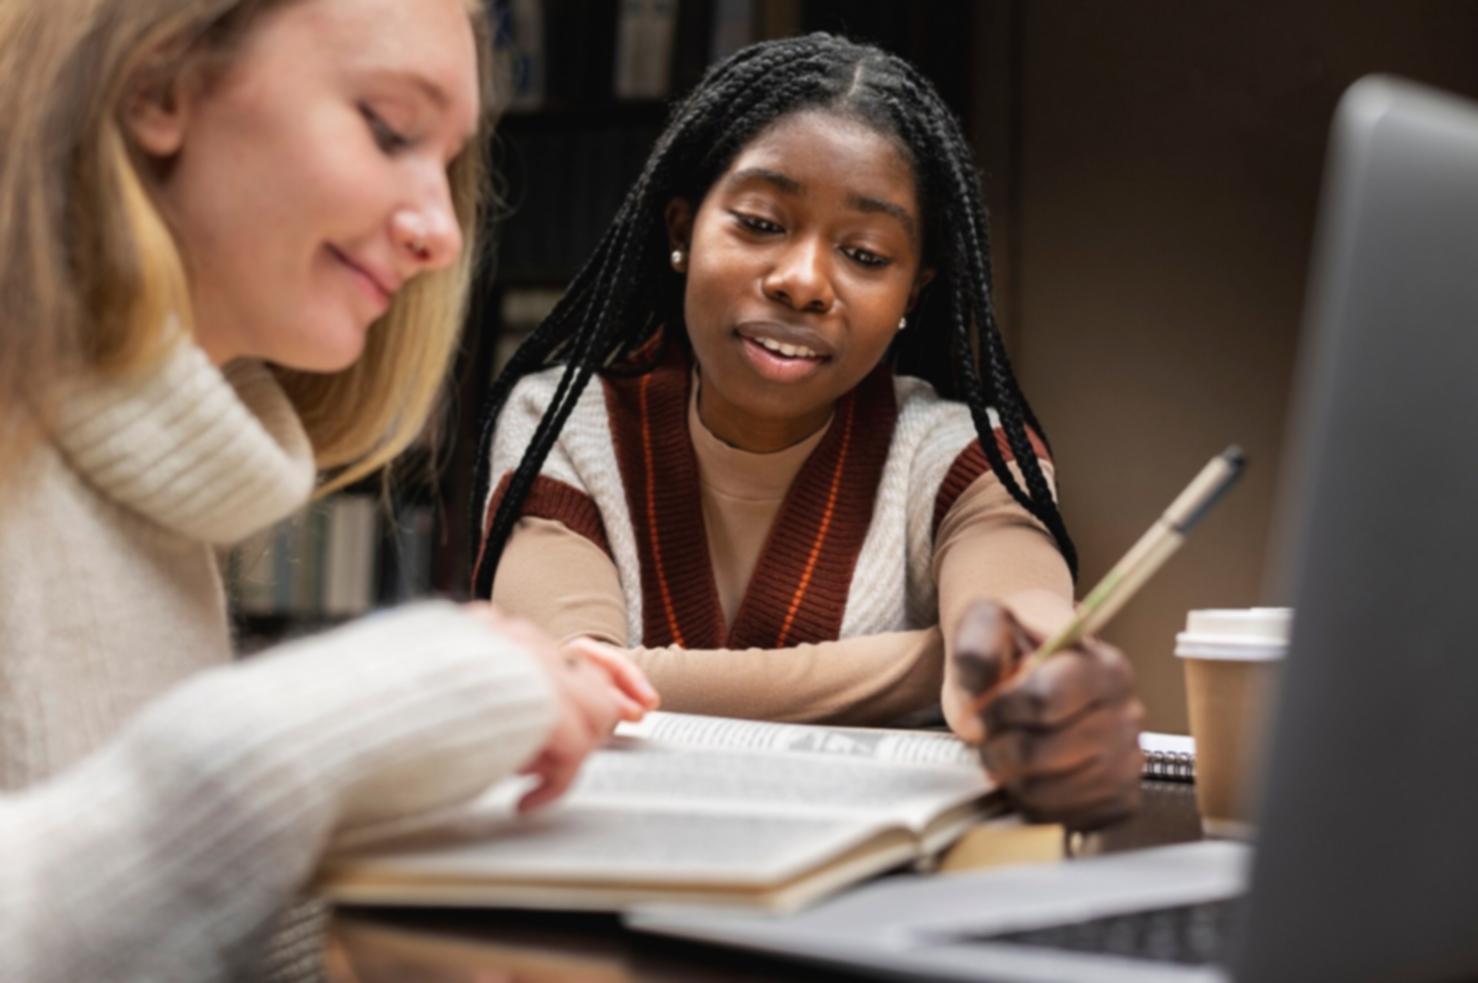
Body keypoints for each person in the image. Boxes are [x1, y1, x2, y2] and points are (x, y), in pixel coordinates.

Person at [0, 1, 655, 980]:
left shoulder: (155, 503)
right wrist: (344, 715)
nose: (440, 233)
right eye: (389, 128)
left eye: (447, 162)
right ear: (158, 86)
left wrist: (420, 789)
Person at [471, 33, 1143, 831]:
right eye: (759, 223)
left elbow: (1013, 637)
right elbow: (576, 682)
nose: (802, 282)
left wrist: (1028, 667)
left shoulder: (969, 454)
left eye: (864, 253)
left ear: (911, 292)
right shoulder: (563, 423)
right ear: (683, 229)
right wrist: (933, 663)